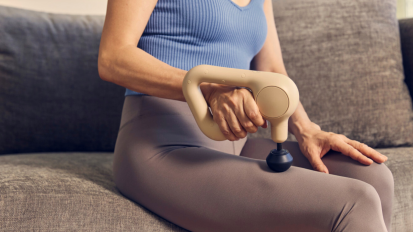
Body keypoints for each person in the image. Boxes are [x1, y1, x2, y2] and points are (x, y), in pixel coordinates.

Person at [98, 0, 394, 231]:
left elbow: (272, 70)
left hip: (235, 143)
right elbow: (113, 58)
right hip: (159, 144)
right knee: (356, 202)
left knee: (374, 177)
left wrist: (306, 129)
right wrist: (209, 89)